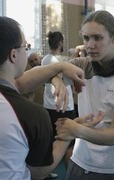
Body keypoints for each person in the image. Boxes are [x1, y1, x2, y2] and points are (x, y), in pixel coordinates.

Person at [0, 15, 102, 180]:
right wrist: (66, 136)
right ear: (14, 55)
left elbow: (17, 84)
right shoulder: (32, 115)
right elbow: (38, 172)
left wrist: (60, 68)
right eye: (25, 47)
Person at [55, 10, 114, 180]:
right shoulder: (81, 66)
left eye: (97, 38)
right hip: (78, 164)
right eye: (86, 38)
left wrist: (76, 130)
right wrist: (57, 80)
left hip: (113, 171)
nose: (89, 45)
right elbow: (48, 72)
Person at [41, 31, 76, 169]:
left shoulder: (45, 59)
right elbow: (71, 66)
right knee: (69, 143)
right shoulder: (59, 61)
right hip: (63, 107)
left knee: (53, 141)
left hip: (49, 106)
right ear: (60, 42)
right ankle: (70, 175)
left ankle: (46, 172)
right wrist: (76, 52)